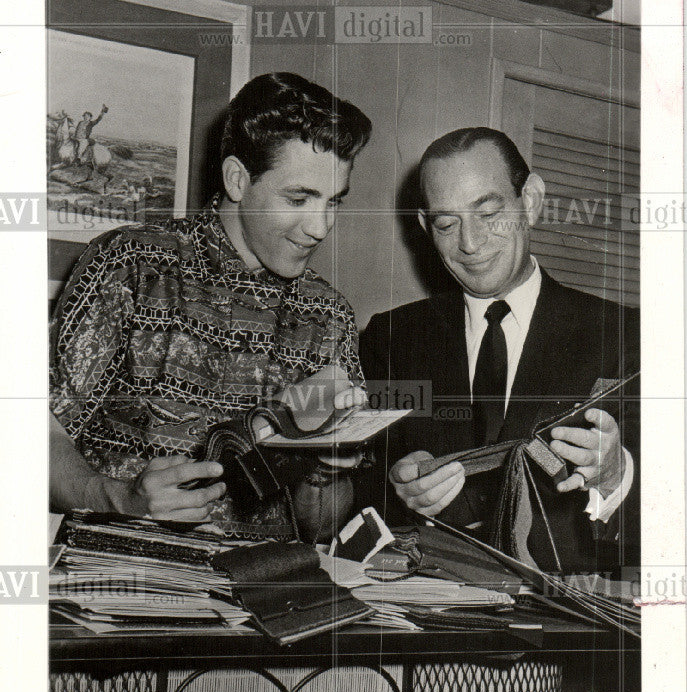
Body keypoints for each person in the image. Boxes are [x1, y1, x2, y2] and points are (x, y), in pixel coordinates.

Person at [50, 73, 372, 541]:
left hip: (261, 588)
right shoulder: (131, 265)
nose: (320, 228)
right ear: (238, 179)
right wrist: (120, 498)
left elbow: (320, 526)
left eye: (334, 202)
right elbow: (36, 434)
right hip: (119, 576)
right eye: (299, 198)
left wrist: (328, 469)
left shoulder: (330, 318)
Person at [358, 127, 639, 573]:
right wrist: (398, 488)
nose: (469, 244)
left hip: (568, 625)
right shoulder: (391, 339)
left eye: (488, 213)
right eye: (446, 224)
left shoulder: (627, 337)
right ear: (424, 225)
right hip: (429, 623)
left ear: (530, 200)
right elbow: (361, 498)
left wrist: (615, 476)